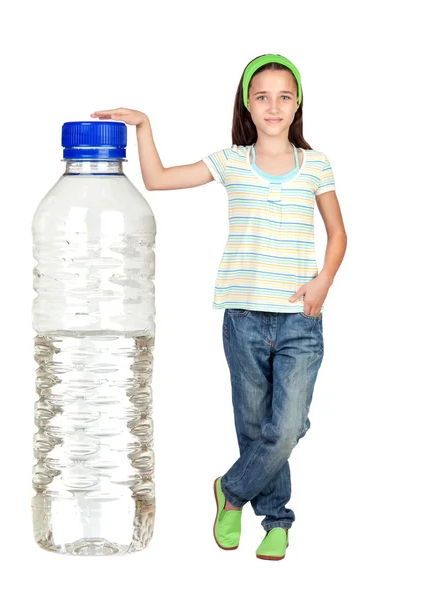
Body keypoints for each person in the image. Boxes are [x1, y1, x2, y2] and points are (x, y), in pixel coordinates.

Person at [91, 53, 347, 561]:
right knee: (256, 428)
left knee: (290, 424)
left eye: (284, 96)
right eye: (262, 97)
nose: (273, 106)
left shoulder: (316, 165)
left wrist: (324, 281)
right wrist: (144, 126)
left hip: (301, 319)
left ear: (297, 106)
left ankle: (231, 490)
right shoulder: (230, 161)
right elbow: (159, 179)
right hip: (243, 318)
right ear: (248, 107)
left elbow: (338, 234)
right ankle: (277, 522)